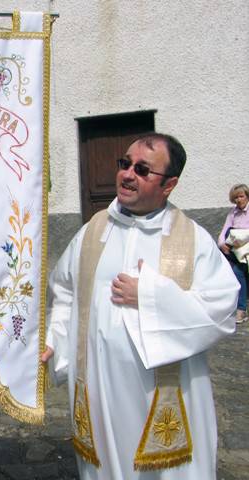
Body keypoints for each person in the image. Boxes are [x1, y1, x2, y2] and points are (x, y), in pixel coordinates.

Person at [41, 133, 238, 479]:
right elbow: (65, 292)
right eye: (125, 164)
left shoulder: (191, 239)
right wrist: (53, 339)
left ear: (170, 184)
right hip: (100, 387)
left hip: (159, 393)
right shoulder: (92, 231)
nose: (128, 174)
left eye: (143, 169)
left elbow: (222, 307)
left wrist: (149, 295)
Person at [217, 183, 249, 324]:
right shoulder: (233, 213)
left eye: (241, 196)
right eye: (236, 197)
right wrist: (222, 245)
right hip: (234, 249)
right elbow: (224, 232)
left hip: (246, 249)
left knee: (237, 271)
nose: (238, 200)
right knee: (221, 266)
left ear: (247, 196)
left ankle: (241, 310)